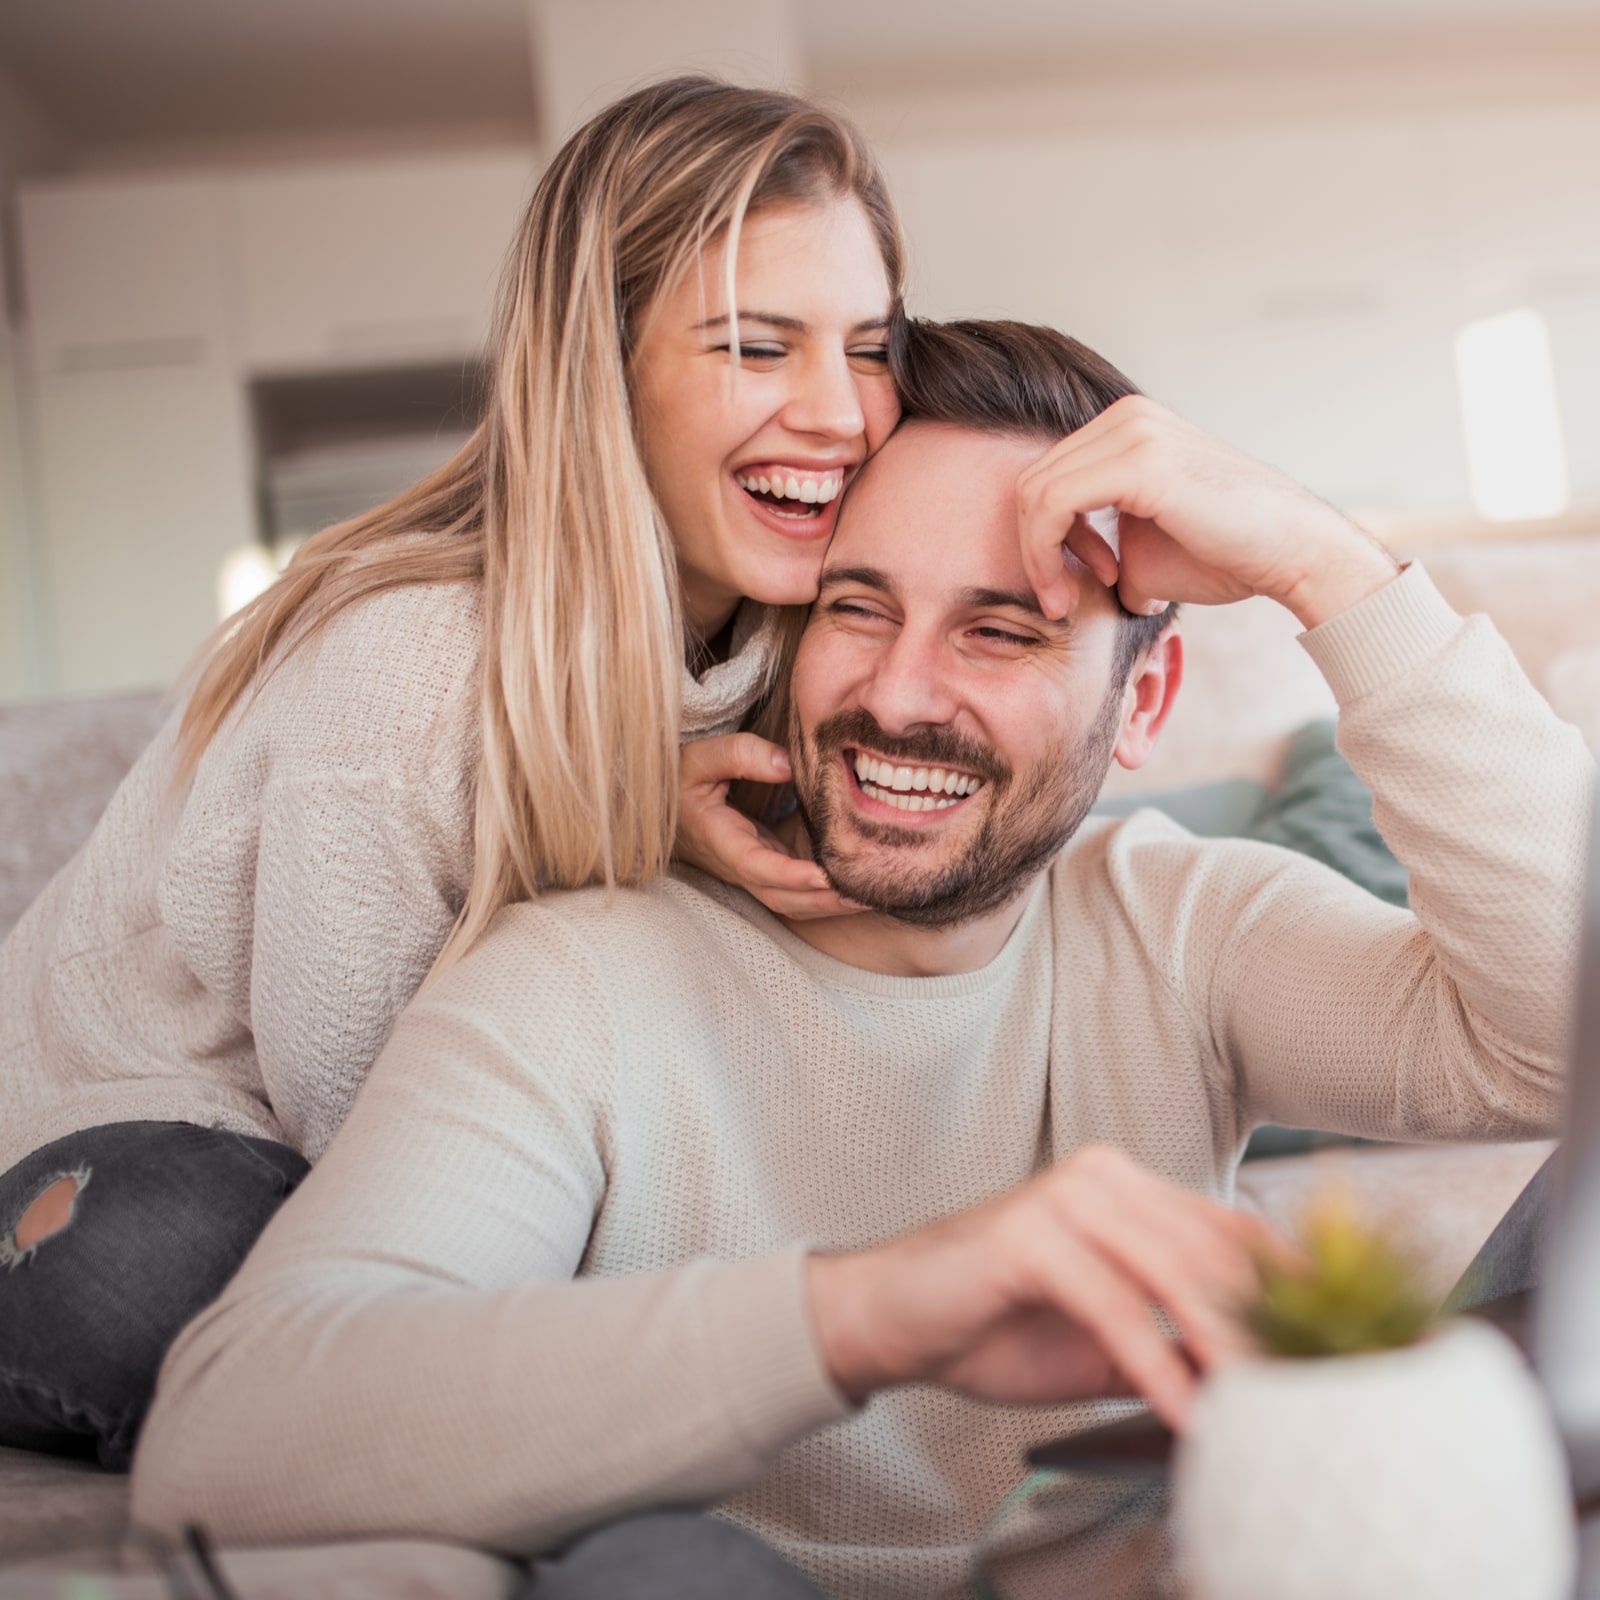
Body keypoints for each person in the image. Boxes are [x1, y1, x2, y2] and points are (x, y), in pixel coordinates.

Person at [130, 317, 1596, 1598]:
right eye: (857, 606)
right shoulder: (579, 978)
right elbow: (231, 1439)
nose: (899, 695)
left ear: (1143, 704)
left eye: (1004, 629)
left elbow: (1556, 1041)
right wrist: (874, 1308)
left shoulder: (1183, 922)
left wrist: (1329, 568)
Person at [0, 75, 906, 1468]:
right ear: (601, 367)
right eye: (755, 347)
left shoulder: (801, 637)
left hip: (392, 1175)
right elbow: (376, 1145)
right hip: (144, 1140)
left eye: (870, 346)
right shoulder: (414, 660)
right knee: (174, 1260)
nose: (840, 411)